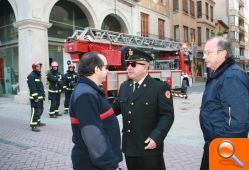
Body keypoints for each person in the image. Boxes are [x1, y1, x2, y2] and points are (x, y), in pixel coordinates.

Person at [113, 46, 175, 170]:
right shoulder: (125, 86)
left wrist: (156, 137)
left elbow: (167, 115)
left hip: (149, 147)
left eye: (134, 64)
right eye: (128, 64)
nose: (129, 67)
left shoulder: (159, 87)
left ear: (146, 67)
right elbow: (115, 108)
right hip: (129, 148)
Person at [199, 37, 249, 170]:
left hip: (226, 148)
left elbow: (237, 122)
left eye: (208, 53)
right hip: (217, 144)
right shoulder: (218, 75)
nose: (204, 56)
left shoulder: (232, 76)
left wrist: (220, 144)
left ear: (222, 54)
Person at [69, 52, 122, 170]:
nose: (107, 71)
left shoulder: (90, 90)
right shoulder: (86, 94)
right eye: (106, 67)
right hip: (92, 163)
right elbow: (93, 135)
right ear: (97, 69)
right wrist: (109, 164)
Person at [27, 61, 46, 132]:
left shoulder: (38, 75)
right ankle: (33, 125)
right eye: (37, 66)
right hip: (35, 98)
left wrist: (43, 95)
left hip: (40, 97)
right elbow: (32, 88)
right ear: (34, 67)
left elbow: (40, 87)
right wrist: (35, 97)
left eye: (39, 66)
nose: (39, 67)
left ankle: (37, 122)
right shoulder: (31, 76)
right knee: (35, 111)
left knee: (40, 110)